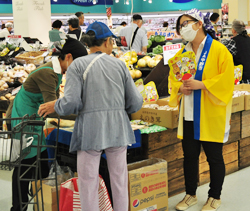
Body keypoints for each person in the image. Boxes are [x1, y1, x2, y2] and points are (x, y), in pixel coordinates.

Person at [38, 21, 143, 211]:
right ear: (108, 42)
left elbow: (71, 103)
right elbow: (135, 103)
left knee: (88, 183)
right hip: (118, 128)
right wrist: (119, 108)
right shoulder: (120, 65)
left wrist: (56, 105)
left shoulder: (78, 65)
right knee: (119, 179)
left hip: (90, 130)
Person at [9, 37, 88, 211]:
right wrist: (81, 113)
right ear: (68, 57)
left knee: (41, 160)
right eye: (78, 62)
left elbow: (55, 103)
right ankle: (18, 206)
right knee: (27, 161)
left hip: (34, 116)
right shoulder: (49, 73)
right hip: (25, 116)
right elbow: (53, 107)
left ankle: (40, 197)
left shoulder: (56, 69)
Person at [169, 8, 234, 211]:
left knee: (214, 157)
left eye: (186, 23)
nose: (183, 28)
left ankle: (215, 196)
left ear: (198, 24)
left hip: (210, 114)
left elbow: (227, 79)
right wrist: (179, 87)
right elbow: (174, 78)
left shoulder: (219, 50)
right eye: (180, 25)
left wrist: (203, 85)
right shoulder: (182, 53)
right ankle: (190, 194)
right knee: (189, 157)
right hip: (188, 113)